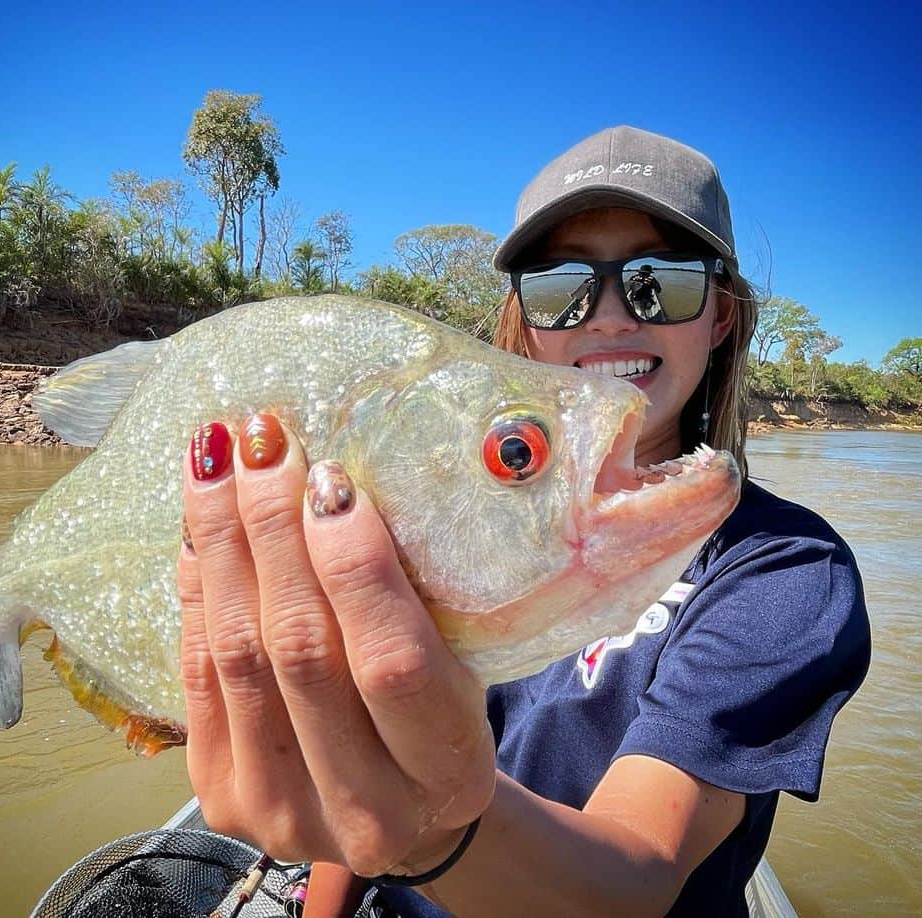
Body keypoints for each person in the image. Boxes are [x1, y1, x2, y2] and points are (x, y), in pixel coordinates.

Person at [176, 126, 870, 916]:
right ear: (525, 321)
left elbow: (636, 878)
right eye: (560, 286)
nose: (609, 317)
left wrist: (432, 833)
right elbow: (362, 750)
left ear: (719, 317)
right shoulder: (438, 509)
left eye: (660, 282)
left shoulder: (784, 566)